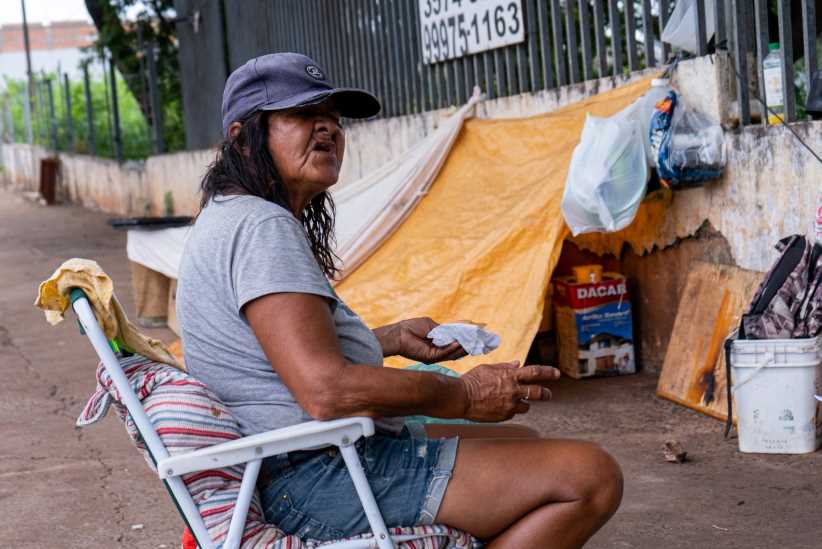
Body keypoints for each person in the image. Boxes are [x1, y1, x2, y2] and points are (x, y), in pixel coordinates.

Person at [177, 52, 622, 548]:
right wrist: (463, 396)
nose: (326, 129)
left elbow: (277, 354)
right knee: (591, 477)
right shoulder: (262, 227)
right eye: (302, 115)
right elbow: (326, 391)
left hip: (297, 465)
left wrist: (388, 339)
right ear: (243, 137)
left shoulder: (230, 217)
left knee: (526, 446)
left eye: (332, 117)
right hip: (311, 477)